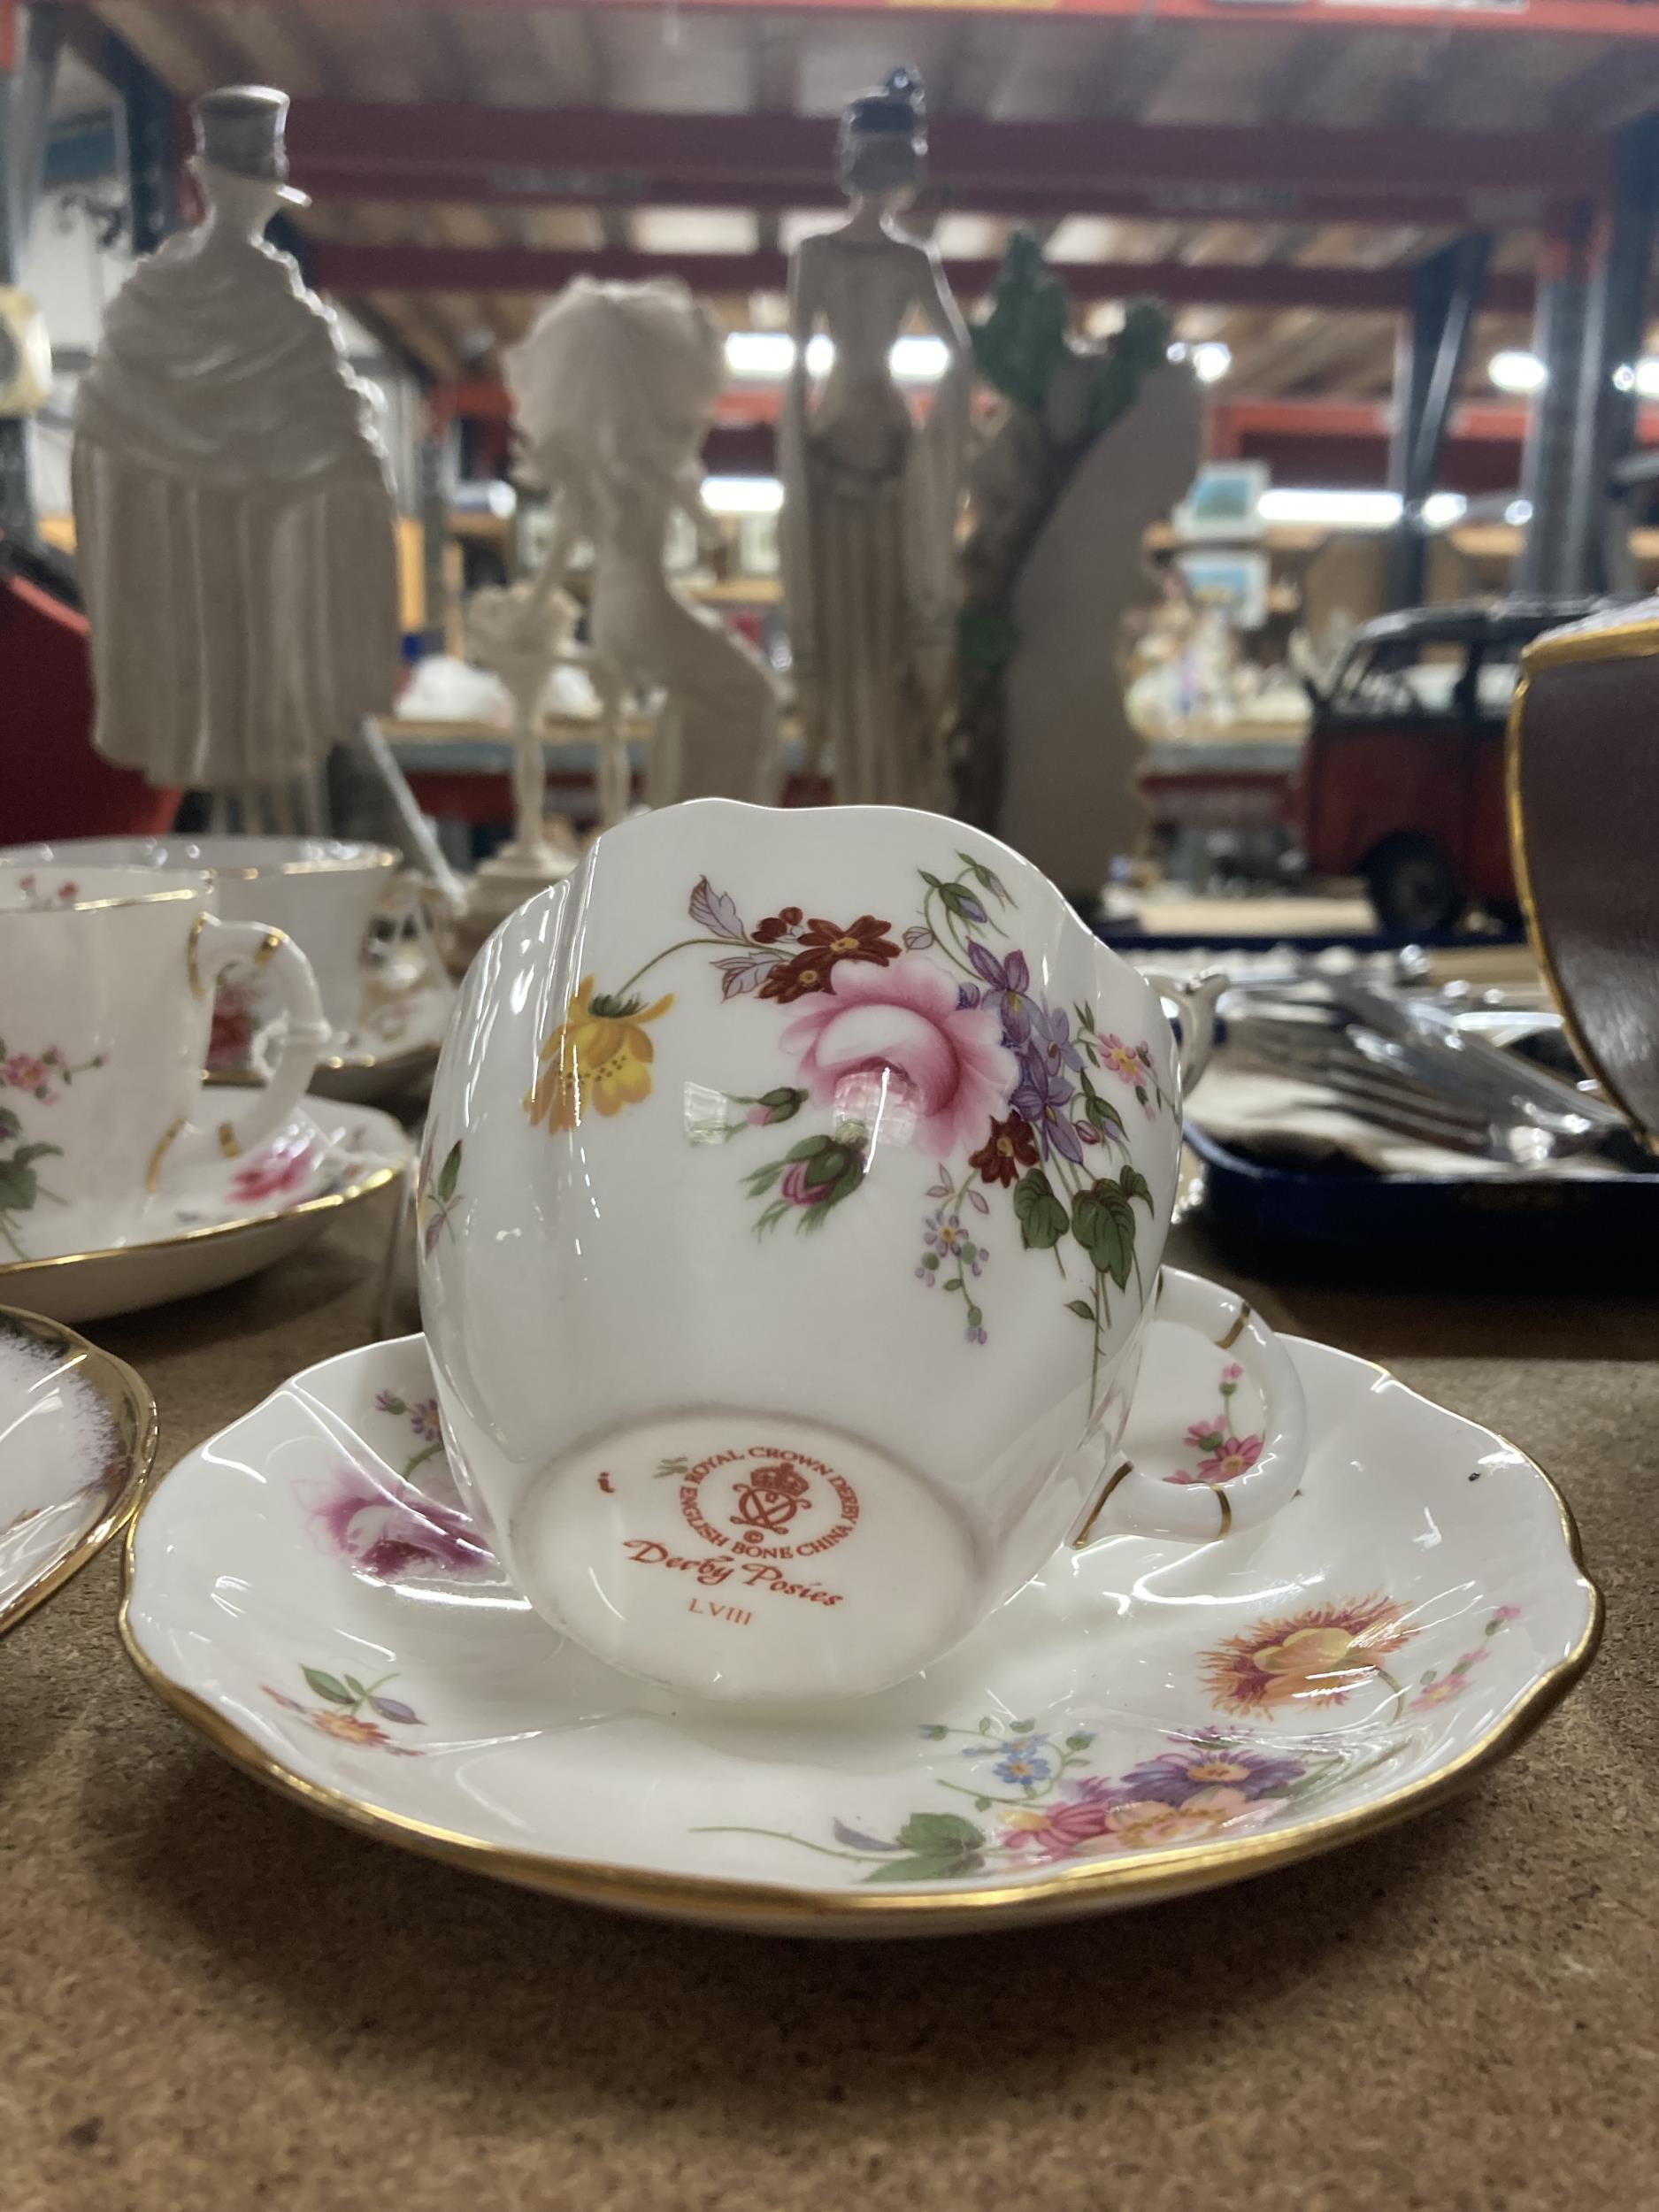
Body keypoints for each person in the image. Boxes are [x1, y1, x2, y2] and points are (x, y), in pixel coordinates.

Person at [780, 67, 971, 810]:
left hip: (857, 441)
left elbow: (800, 364)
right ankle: (866, 784)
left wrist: (933, 445)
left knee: (881, 628)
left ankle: (882, 787)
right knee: (862, 625)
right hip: (865, 442)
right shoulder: (882, 259)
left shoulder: (849, 257)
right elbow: (960, 354)